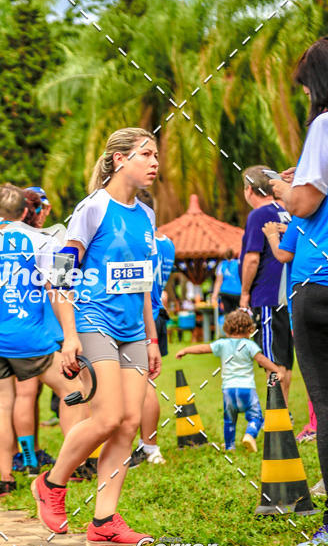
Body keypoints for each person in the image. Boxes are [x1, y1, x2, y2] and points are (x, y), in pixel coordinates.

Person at [31, 127, 161, 546]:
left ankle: (104, 521)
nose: (155, 162)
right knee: (105, 418)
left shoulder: (146, 215)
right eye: (146, 154)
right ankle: (51, 485)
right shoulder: (93, 208)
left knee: (128, 422)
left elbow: (143, 283)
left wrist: (153, 339)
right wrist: (69, 336)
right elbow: (61, 277)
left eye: (156, 155)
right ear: (120, 159)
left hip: (135, 331)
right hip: (93, 321)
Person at [0, 183, 83, 497]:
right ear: (25, 212)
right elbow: (61, 287)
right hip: (32, 337)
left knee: (0, 405)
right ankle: (74, 467)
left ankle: (6, 480)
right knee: (74, 392)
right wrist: (70, 336)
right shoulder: (41, 239)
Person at [268, 37, 328, 546]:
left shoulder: (324, 126)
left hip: (319, 284)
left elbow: (306, 205)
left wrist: (281, 188)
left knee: (326, 403)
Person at [177, 309, 285, 452]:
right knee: (256, 417)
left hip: (228, 390)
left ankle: (229, 447)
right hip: (246, 389)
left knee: (229, 421)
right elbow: (261, 360)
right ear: (249, 329)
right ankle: (249, 435)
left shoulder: (222, 344)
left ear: (227, 328)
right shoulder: (249, 345)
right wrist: (276, 370)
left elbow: (203, 348)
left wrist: (186, 350)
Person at [129, 188, 175, 468]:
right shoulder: (166, 244)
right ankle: (147, 444)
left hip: (140, 314)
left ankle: (150, 447)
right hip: (157, 312)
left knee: (144, 385)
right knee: (147, 382)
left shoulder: (136, 241)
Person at [239, 166, 293, 403]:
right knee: (284, 358)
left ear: (249, 189)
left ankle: (277, 413)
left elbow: (252, 258)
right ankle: (284, 411)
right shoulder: (287, 210)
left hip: (268, 295)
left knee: (271, 359)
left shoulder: (258, 215)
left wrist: (244, 293)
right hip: (288, 293)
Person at [262, 218, 317, 444]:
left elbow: (284, 255)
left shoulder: (303, 214)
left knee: (313, 370)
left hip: (305, 299)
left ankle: (315, 424)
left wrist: (272, 235)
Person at [211, 248, 242, 315]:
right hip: (238, 292)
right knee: (239, 314)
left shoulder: (221, 265)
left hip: (225, 293)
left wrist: (214, 296)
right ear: (233, 255)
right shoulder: (239, 263)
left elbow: (218, 282)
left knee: (228, 315)